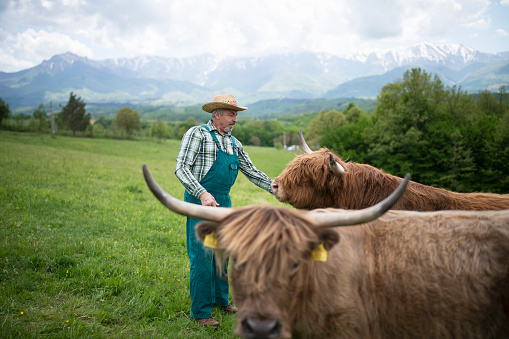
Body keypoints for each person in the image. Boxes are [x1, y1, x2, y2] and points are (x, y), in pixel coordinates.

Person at [175, 94, 273, 328]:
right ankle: (201, 313)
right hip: (200, 202)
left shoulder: (234, 143)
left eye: (236, 115)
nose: (235, 119)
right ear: (217, 114)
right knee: (202, 255)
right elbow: (181, 168)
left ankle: (222, 301)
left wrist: (276, 187)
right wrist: (201, 193)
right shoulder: (197, 134)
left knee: (221, 253)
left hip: (224, 204)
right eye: (231, 114)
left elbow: (252, 171)